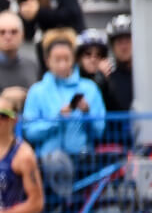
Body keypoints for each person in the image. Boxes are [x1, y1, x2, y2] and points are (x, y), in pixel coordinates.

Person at [22, 30, 106, 167]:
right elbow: (29, 131)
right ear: (47, 61)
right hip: (47, 162)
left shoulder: (90, 88)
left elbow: (99, 130)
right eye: (57, 60)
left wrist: (87, 114)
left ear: (73, 59)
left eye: (66, 59)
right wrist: (57, 120)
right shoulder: (37, 91)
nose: (62, 65)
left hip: (82, 161)